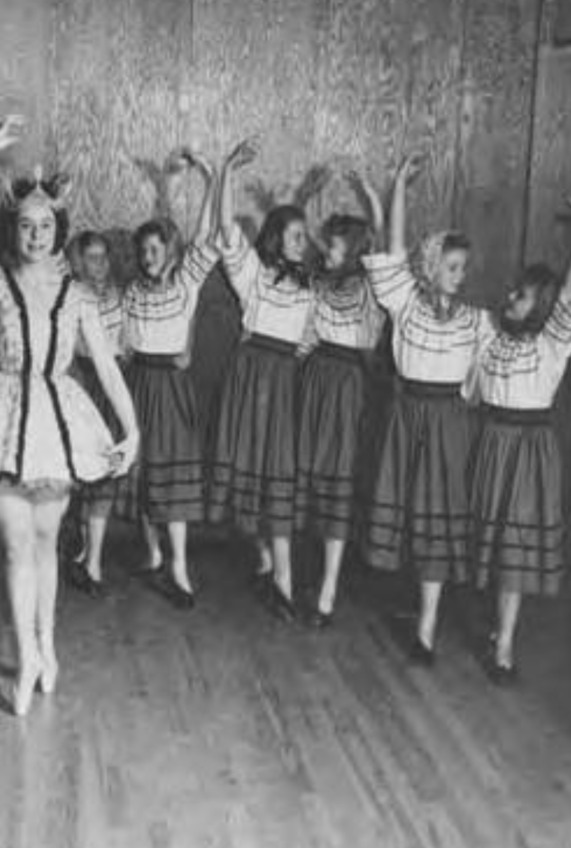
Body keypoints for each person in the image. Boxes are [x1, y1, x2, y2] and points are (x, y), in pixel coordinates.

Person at [0, 116, 139, 716]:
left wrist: (132, 428)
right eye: (27, 225)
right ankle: (24, 660)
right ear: (15, 231)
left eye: (47, 226)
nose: (37, 234)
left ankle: (48, 642)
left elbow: (106, 367)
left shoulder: (78, 295)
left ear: (59, 231)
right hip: (2, 418)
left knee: (47, 541)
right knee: (18, 546)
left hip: (57, 422)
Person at [361, 154, 493, 664]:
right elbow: (392, 251)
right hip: (406, 417)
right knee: (406, 514)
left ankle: (428, 626)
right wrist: (398, 186)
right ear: (432, 266)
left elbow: (492, 372)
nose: (461, 276)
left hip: (448, 424)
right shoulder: (406, 303)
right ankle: (411, 606)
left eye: (464, 269)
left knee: (438, 516)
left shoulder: (477, 321)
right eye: (453, 267)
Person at [468, 199, 571, 682]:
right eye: (511, 293)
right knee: (493, 544)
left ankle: (506, 645)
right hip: (493, 445)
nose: (509, 300)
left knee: (515, 551)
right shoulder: (494, 339)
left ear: (539, 305)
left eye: (520, 297)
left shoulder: (552, 344)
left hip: (529, 451)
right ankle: (495, 626)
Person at [206, 140, 317, 622]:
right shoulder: (252, 275)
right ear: (276, 237)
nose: (302, 241)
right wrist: (227, 170)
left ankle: (284, 582)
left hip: (284, 384)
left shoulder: (309, 286)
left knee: (280, 478)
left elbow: (312, 336)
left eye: (304, 235)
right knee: (247, 477)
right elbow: (225, 229)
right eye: (295, 234)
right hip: (250, 381)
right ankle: (269, 562)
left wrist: (298, 355)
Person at [113, 149, 222, 608]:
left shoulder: (185, 284)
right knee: (143, 474)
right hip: (139, 385)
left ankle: (178, 563)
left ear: (172, 252)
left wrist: (210, 176)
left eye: (157, 248)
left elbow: (207, 233)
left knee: (173, 479)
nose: (148, 254)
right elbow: (119, 344)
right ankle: (153, 552)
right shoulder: (132, 291)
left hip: (173, 390)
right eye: (144, 249)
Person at [293, 190, 387, 627]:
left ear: (353, 252)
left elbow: (385, 253)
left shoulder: (371, 292)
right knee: (309, 480)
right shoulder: (318, 286)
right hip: (315, 382)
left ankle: (329, 589)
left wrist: (374, 202)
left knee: (338, 486)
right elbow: (305, 339)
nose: (323, 249)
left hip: (348, 387)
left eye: (333, 244)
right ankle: (304, 575)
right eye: (326, 243)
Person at [63, 231, 128, 597]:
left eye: (104, 256)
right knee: (81, 472)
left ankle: (93, 563)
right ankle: (81, 550)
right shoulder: (72, 295)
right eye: (91, 257)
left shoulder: (120, 293)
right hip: (84, 383)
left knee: (106, 472)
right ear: (78, 261)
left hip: (112, 384)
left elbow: (126, 343)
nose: (100, 264)